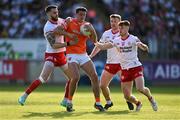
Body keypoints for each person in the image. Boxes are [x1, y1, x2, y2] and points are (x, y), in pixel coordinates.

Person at [18, 5, 78, 106]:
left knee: (72, 78)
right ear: (48, 14)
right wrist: (68, 44)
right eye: (54, 12)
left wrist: (71, 21)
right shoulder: (48, 27)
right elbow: (54, 45)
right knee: (43, 78)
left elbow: (69, 25)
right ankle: (24, 95)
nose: (56, 14)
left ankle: (65, 100)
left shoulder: (61, 21)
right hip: (51, 55)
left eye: (57, 12)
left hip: (61, 55)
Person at [95, 20, 158, 111]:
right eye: (119, 28)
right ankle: (138, 103)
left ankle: (151, 99)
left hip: (135, 67)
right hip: (125, 69)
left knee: (140, 88)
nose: (119, 30)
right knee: (127, 96)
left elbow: (142, 45)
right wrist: (97, 43)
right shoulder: (116, 40)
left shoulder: (133, 38)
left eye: (122, 28)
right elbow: (104, 46)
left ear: (127, 28)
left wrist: (143, 46)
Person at [61, 7, 104, 112]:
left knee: (94, 76)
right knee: (75, 77)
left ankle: (97, 103)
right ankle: (69, 102)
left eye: (84, 15)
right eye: (80, 14)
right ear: (76, 14)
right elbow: (60, 31)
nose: (82, 16)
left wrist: (92, 30)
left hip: (83, 55)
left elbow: (95, 41)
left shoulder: (86, 26)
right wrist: (68, 34)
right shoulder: (70, 21)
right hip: (71, 54)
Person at [89, 14, 134, 110]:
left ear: (120, 22)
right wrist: (91, 56)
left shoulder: (124, 34)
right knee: (102, 85)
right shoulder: (106, 34)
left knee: (125, 85)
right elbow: (99, 46)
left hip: (122, 63)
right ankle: (109, 102)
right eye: (112, 21)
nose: (113, 23)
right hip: (110, 63)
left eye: (115, 21)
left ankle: (128, 99)